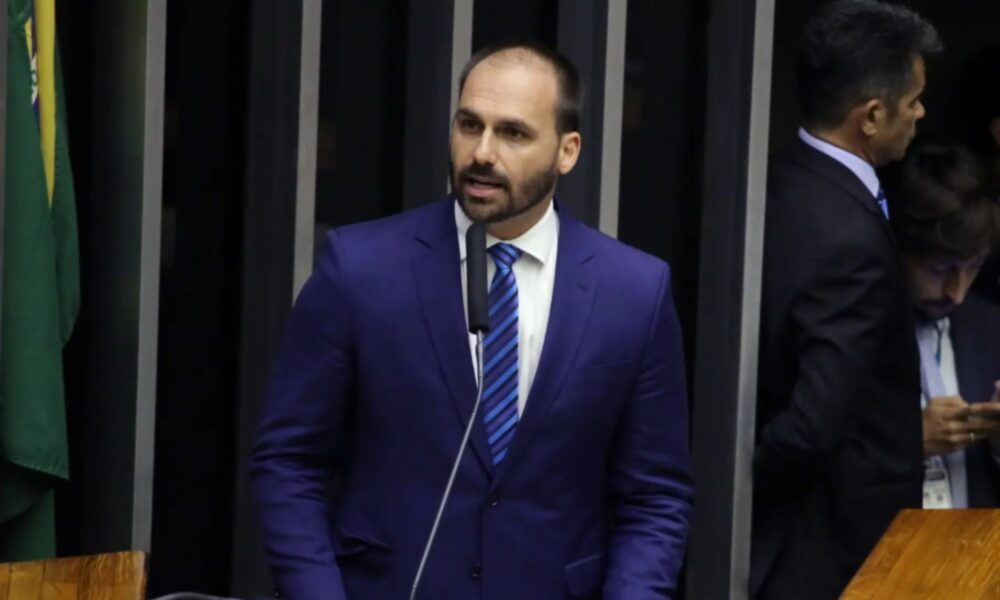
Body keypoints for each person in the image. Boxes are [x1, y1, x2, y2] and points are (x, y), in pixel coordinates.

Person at [250, 43, 693, 600]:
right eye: (469, 125)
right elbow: (289, 462)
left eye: (513, 133)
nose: (482, 152)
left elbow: (655, 497)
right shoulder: (360, 268)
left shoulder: (635, 291)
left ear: (567, 151)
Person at [752, 1, 941, 598]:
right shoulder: (850, 238)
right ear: (872, 115)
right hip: (835, 554)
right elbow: (812, 426)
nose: (920, 114)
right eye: (912, 102)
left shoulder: (776, 181)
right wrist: (724, 483)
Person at [885, 142, 1000, 508]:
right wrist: (909, 443)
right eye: (941, 270)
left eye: (973, 268)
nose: (957, 293)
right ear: (900, 252)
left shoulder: (989, 327)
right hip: (882, 554)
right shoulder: (855, 334)